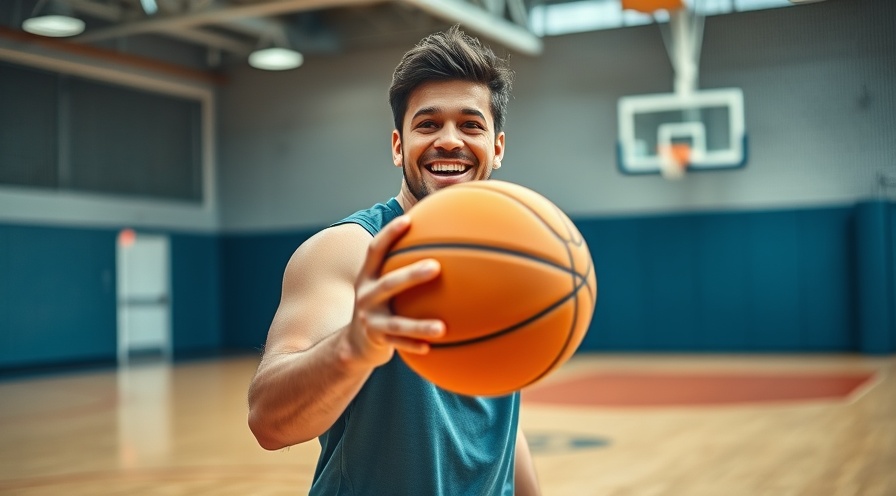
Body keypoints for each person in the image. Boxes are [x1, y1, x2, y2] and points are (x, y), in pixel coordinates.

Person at [247, 25, 540, 496]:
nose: (450, 140)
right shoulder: (347, 251)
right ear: (398, 146)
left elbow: (500, 421)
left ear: (497, 148)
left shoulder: (509, 258)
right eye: (428, 124)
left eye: (471, 125)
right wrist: (355, 345)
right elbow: (268, 421)